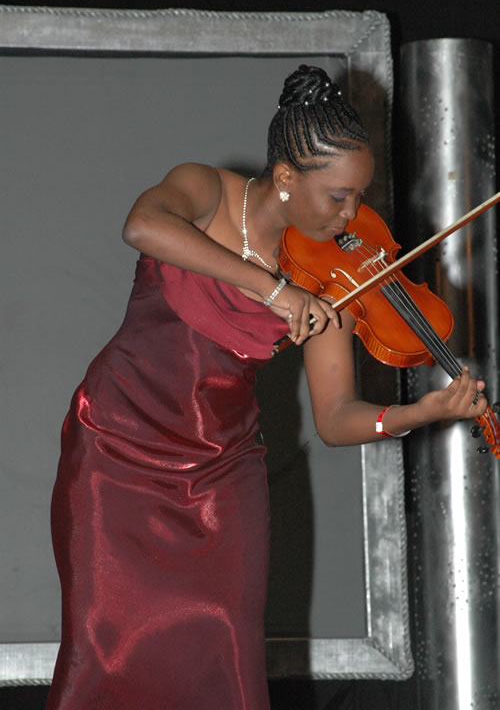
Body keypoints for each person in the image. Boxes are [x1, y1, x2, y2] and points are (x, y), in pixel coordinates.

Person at [46, 65, 486, 710]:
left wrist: (417, 411)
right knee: (103, 653)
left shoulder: (334, 271)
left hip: (222, 472)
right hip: (114, 453)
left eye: (359, 197)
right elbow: (143, 227)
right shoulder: (206, 189)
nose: (353, 214)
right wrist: (273, 289)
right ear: (285, 179)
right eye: (337, 196)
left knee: (225, 655)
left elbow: (336, 419)